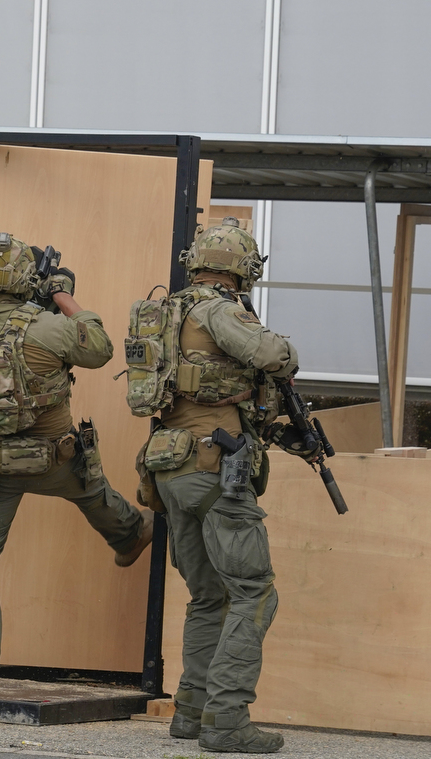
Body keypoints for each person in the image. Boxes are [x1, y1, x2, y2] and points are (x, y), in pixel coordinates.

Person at [0, 232, 153, 698]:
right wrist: (59, 293)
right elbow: (99, 347)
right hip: (53, 458)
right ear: (24, 280)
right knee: (92, 492)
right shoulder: (44, 326)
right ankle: (130, 535)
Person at [132, 217, 297, 754]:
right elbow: (273, 357)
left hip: (171, 465)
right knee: (255, 592)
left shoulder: (169, 310)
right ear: (243, 268)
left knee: (208, 597)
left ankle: (191, 712)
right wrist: (285, 350)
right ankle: (226, 719)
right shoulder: (219, 309)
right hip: (213, 467)